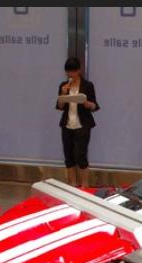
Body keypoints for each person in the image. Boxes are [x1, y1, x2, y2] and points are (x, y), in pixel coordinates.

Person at [56, 57, 99, 188]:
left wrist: (87, 103)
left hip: (82, 125)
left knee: (80, 155)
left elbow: (95, 106)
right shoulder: (63, 86)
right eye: (68, 72)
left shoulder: (88, 85)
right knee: (69, 157)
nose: (70, 74)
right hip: (67, 125)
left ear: (79, 70)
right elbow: (60, 107)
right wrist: (62, 94)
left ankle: (84, 185)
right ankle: (72, 185)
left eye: (73, 71)